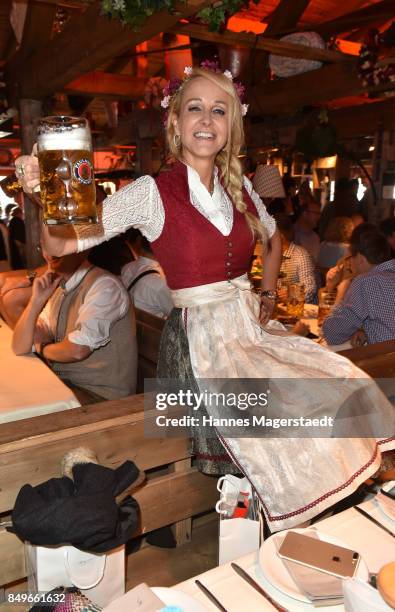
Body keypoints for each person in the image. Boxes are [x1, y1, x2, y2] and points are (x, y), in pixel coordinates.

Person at [16, 66, 395, 532]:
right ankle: (261, 536)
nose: (206, 119)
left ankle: (287, 532)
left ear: (231, 126)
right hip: (199, 342)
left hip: (245, 330)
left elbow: (272, 240)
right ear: (175, 122)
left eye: (219, 110)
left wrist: (268, 293)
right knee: (276, 432)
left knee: (339, 380)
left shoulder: (240, 187)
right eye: (194, 107)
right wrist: (40, 193)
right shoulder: (151, 193)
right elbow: (59, 245)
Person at [12, 249, 137, 403]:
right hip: (68, 384)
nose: (50, 252)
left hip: (102, 397)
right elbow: (20, 346)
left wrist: (41, 348)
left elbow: (77, 350)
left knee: (24, 404)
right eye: (45, 246)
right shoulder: (61, 287)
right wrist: (35, 302)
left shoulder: (104, 286)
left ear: (82, 249)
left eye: (61, 245)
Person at [323, 225, 394, 346]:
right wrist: (365, 330)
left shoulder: (366, 282)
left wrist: (342, 289)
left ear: (360, 258)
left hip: (386, 363)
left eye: (351, 257)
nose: (350, 262)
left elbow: (332, 334)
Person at [122, 229, 173, 318]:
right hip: (153, 330)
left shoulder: (127, 267)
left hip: (132, 325)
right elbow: (178, 317)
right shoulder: (160, 283)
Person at [275, 214, 317, 303]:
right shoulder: (269, 254)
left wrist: (291, 294)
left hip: (295, 311)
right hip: (276, 308)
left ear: (280, 236)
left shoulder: (300, 255)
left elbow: (310, 290)